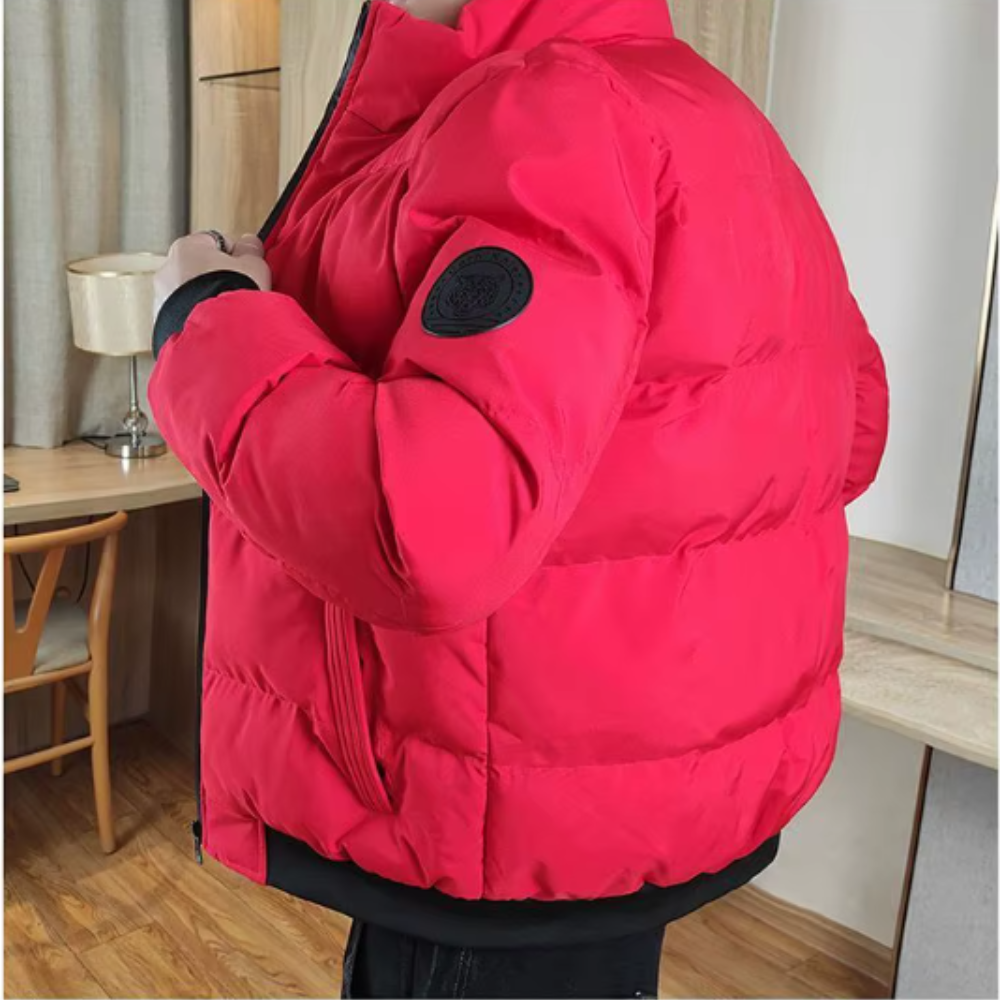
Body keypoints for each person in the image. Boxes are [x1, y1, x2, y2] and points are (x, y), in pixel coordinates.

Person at [148, 0, 889, 996]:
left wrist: (209, 319)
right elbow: (853, 428)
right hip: (605, 797)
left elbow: (427, 526)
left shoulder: (551, 115)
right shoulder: (718, 116)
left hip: (492, 814)